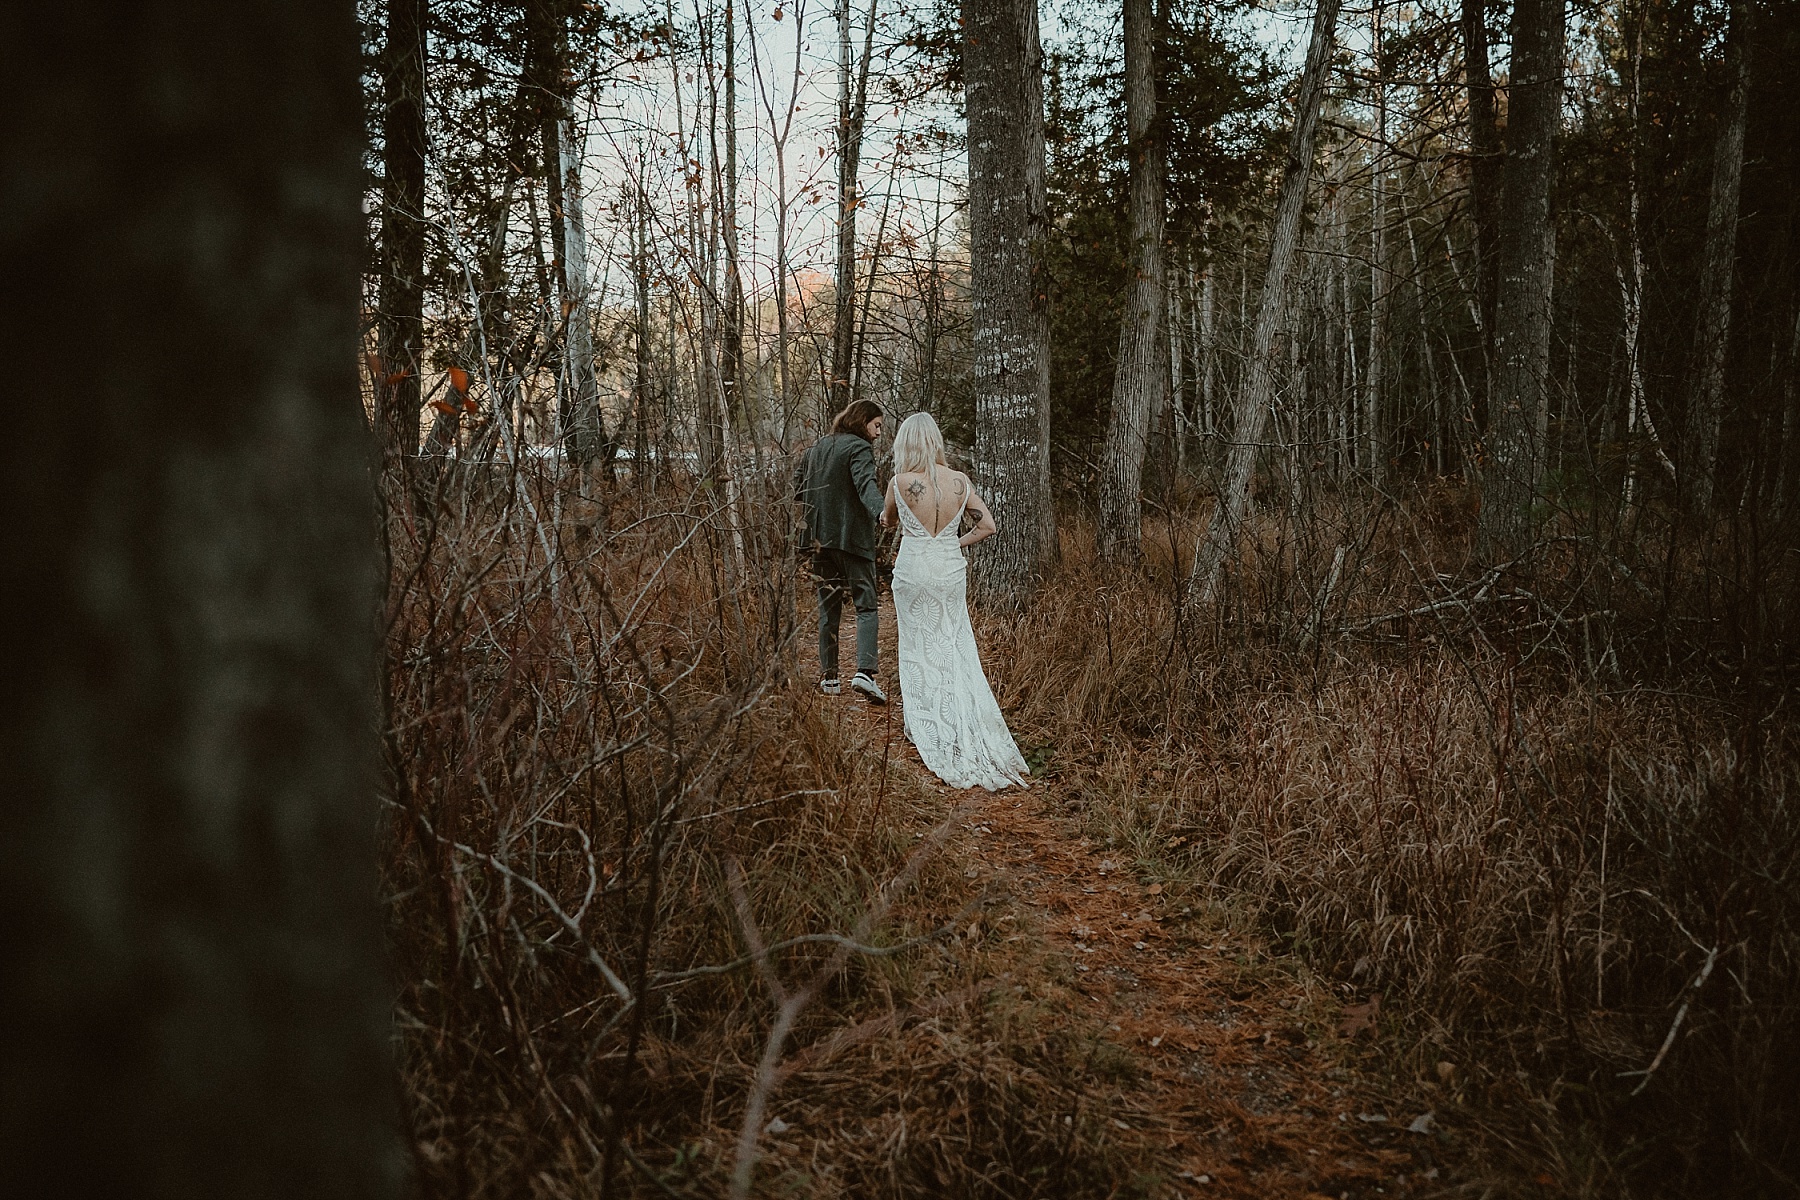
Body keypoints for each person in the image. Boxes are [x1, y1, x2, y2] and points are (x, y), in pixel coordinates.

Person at [881, 412, 1029, 790]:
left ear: (906, 444)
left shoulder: (900, 483)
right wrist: (952, 543)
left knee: (917, 646)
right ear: (936, 442)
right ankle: (958, 715)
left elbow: (889, 521)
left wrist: (892, 518)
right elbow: (988, 525)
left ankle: (927, 721)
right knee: (951, 643)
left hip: (914, 572)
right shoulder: (960, 482)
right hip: (949, 571)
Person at [793, 399, 888, 704]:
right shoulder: (859, 448)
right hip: (851, 539)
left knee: (828, 608)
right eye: (876, 426)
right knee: (866, 604)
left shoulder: (818, 447)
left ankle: (830, 677)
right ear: (863, 422)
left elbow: (798, 486)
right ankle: (864, 672)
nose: (878, 433)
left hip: (818, 542)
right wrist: (882, 512)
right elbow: (865, 485)